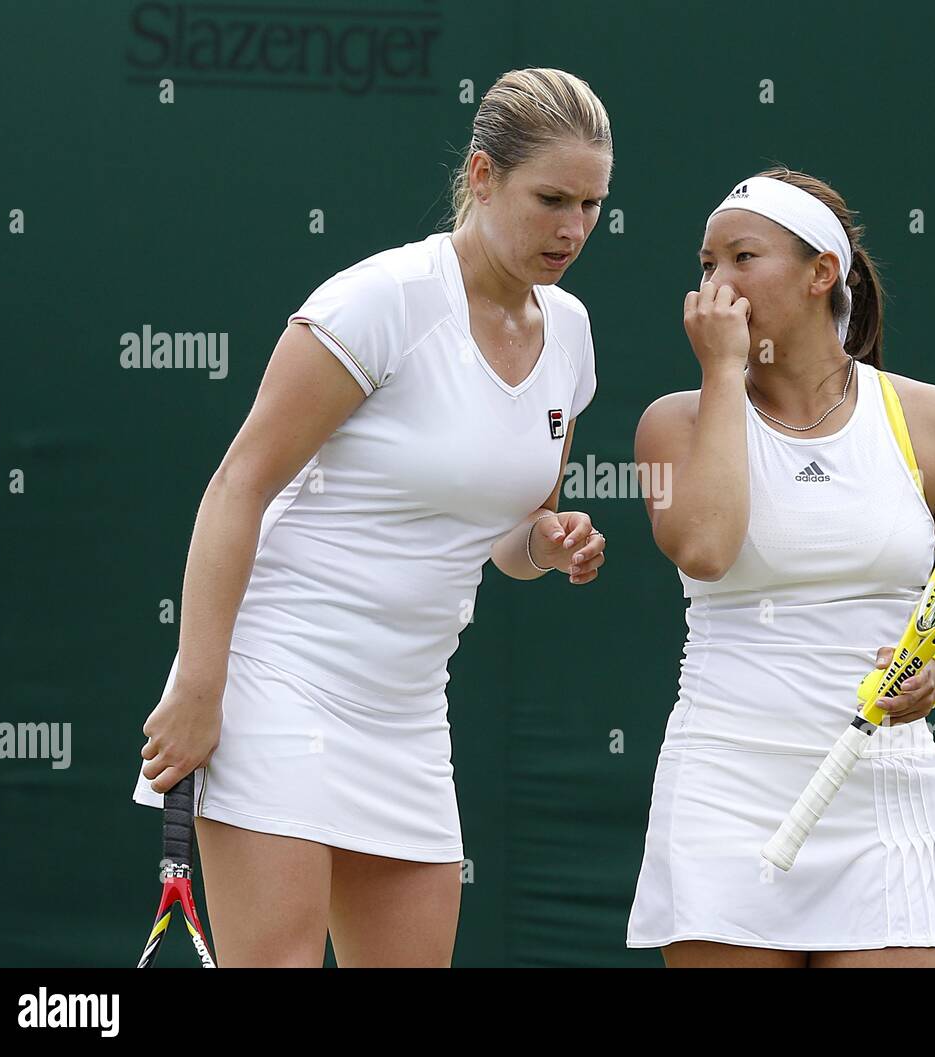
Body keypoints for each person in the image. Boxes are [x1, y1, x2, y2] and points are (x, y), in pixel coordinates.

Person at [131, 68, 612, 967]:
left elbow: (508, 536)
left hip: (407, 710)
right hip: (278, 679)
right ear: (480, 175)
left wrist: (546, 543)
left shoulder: (572, 331)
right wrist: (201, 686)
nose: (574, 228)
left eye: (591, 204)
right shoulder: (379, 301)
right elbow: (238, 485)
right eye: (551, 198)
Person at [626, 169, 935, 968]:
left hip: (885, 793)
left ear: (821, 274)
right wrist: (720, 372)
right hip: (723, 787)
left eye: (742, 256)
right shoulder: (672, 423)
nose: (717, 283)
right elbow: (706, 547)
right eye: (706, 264)